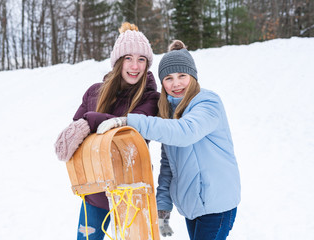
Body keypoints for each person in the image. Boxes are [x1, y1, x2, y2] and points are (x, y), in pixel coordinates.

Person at [97, 40, 241, 240]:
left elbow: (185, 132)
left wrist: (128, 120)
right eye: (169, 78)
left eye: (182, 76)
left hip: (217, 205)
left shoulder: (207, 102)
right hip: (194, 206)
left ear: (193, 76)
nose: (176, 84)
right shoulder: (171, 113)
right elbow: (169, 165)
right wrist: (163, 206)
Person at [62, 22, 160, 240]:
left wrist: (91, 121)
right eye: (128, 58)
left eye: (141, 59)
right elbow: (76, 132)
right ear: (118, 61)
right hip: (95, 192)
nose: (135, 66)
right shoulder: (94, 93)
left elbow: (131, 130)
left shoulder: (151, 98)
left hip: (131, 191)